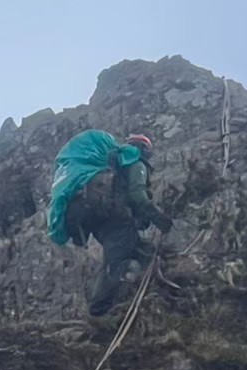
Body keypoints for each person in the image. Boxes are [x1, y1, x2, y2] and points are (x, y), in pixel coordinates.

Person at [48, 130, 171, 315]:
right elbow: (137, 196)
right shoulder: (136, 162)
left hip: (98, 220)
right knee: (115, 262)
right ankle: (99, 310)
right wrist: (160, 219)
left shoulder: (114, 165)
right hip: (115, 219)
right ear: (144, 150)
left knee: (144, 251)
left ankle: (159, 288)